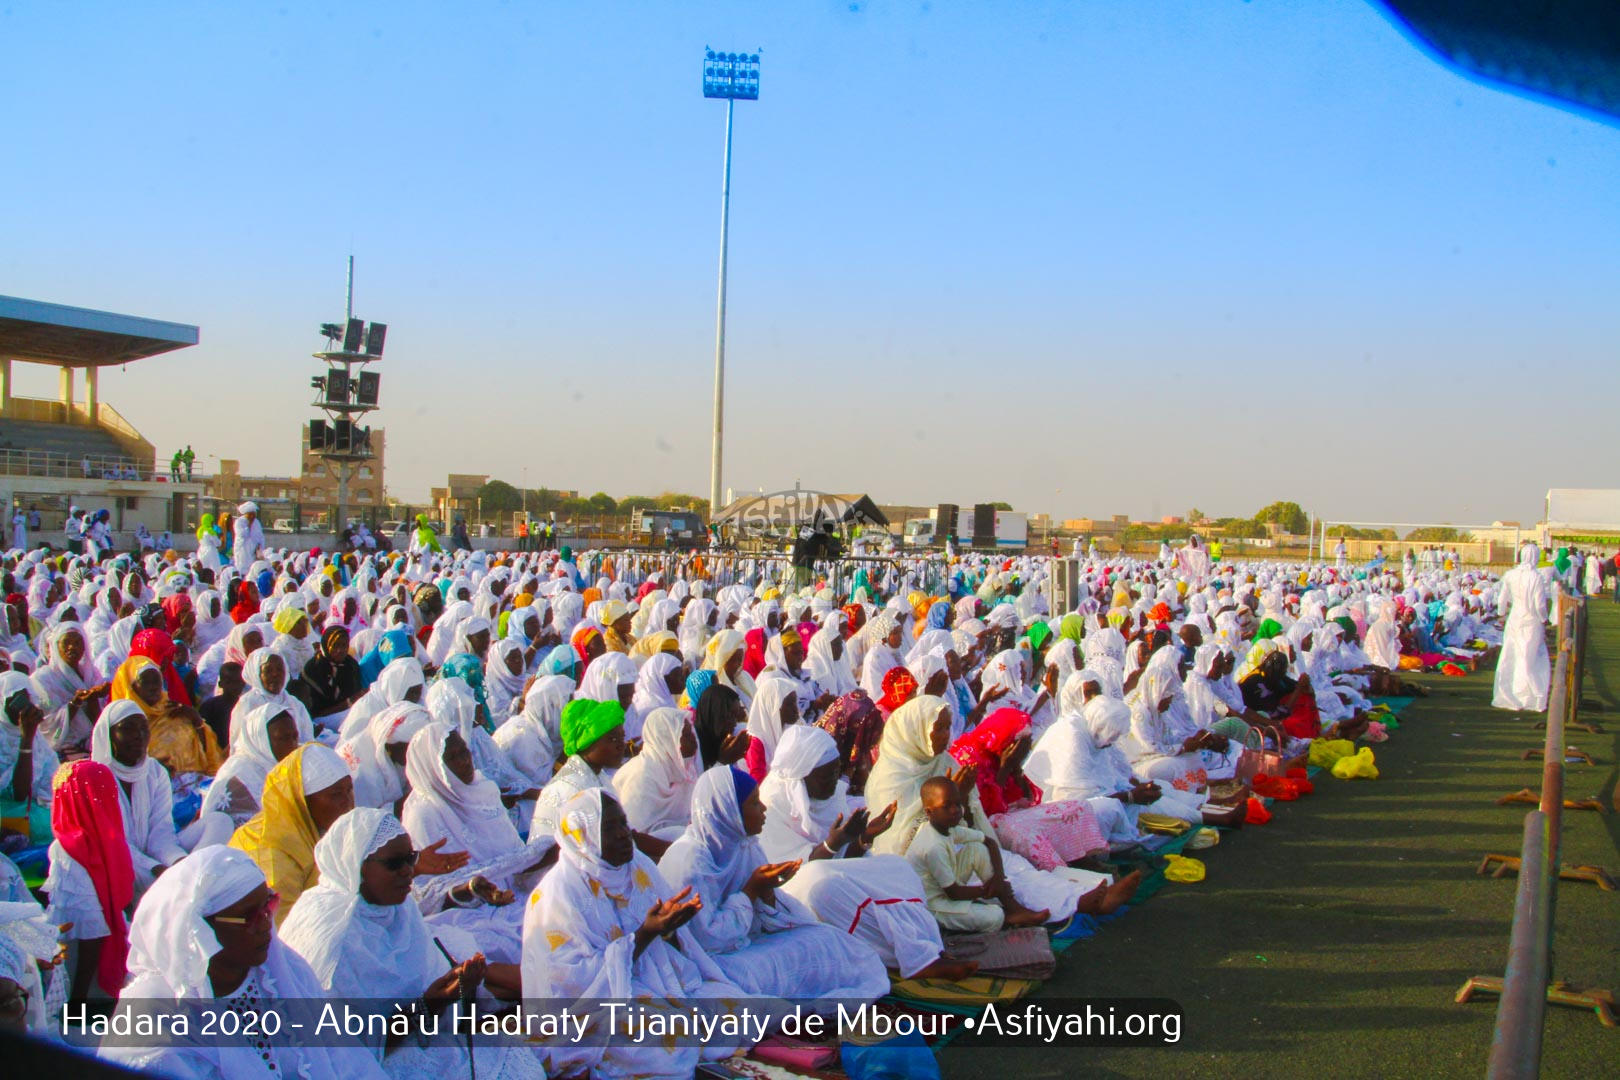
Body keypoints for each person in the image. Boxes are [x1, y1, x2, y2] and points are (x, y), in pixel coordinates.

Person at [280, 807, 545, 1080]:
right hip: (371, 1064)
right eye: (394, 864)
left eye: (410, 859)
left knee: (522, 1063)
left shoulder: (397, 907)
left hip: (415, 1034)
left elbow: (424, 984)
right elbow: (349, 1051)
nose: (408, 872)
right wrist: (430, 1005)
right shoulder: (334, 942)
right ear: (356, 865)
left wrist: (449, 992)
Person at [97, 844, 392, 1080]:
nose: (266, 924)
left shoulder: (282, 973)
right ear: (198, 932)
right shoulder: (153, 1029)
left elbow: (344, 1060)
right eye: (249, 916)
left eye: (268, 904)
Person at [520, 788, 754, 1080]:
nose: (623, 834)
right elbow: (569, 983)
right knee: (673, 1044)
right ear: (584, 837)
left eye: (623, 823)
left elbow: (663, 939)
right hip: (595, 1008)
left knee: (738, 1006)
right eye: (609, 828)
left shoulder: (637, 865)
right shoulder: (557, 894)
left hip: (652, 977)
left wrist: (669, 927)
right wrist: (644, 934)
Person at [658, 763, 890, 1000]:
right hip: (707, 961)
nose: (763, 808)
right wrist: (751, 891)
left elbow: (769, 916)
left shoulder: (744, 844)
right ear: (730, 811)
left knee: (828, 940)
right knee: (750, 977)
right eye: (754, 803)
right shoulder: (690, 862)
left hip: (746, 943)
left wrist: (768, 893)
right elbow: (707, 940)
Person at [45, 758, 136, 1005]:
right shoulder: (73, 848)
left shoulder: (103, 839)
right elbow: (87, 927)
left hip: (92, 962)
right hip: (83, 971)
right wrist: (79, 997)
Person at [1493, 542, 1551, 711]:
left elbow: (1502, 599)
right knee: (1529, 658)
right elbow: (1540, 605)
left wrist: (1501, 613)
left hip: (1514, 619)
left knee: (1510, 655)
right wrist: (1544, 619)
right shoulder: (1536, 577)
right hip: (1531, 621)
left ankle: (1509, 695)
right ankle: (1532, 696)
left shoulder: (1510, 575)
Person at [232, 501, 265, 575]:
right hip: (243, 549)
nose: (252, 516)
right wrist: (249, 524)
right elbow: (242, 534)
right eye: (250, 514)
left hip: (254, 550)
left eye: (254, 514)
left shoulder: (256, 522)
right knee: (243, 568)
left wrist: (260, 547)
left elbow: (260, 536)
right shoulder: (239, 522)